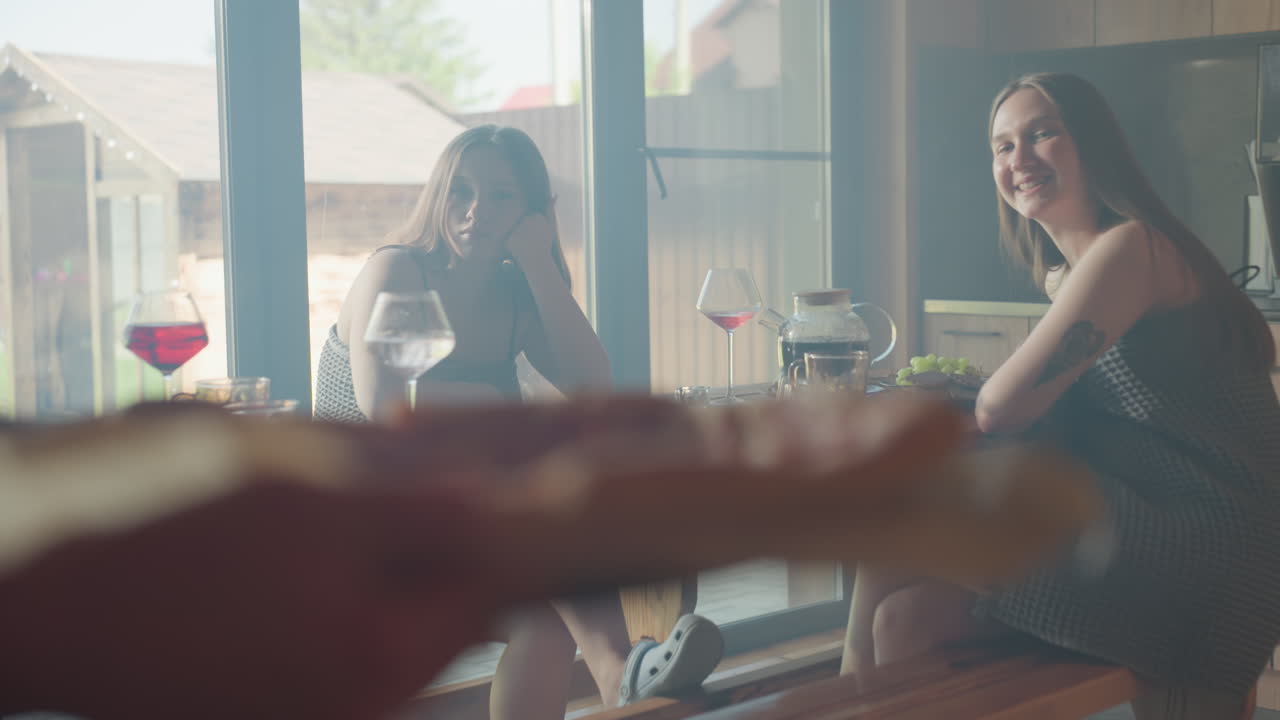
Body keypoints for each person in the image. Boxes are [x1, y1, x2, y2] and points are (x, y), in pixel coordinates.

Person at [0, 390, 1098, 720]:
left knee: (530, 582)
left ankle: (618, 671)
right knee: (528, 573)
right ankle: (620, 673)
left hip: (411, 488)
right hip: (391, 487)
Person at [845, 72, 1280, 718]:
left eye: (1042, 134)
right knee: (904, 621)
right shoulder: (1078, 272)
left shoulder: (1131, 247)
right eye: (1003, 146)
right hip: (1142, 523)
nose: (1018, 158)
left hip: (1201, 544)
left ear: (1092, 144)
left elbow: (1000, 409)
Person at [313, 124, 723, 717]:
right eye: (461, 190)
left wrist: (538, 264)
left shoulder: (514, 294)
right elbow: (388, 408)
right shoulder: (398, 271)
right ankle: (623, 670)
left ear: (533, 211)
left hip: (458, 510)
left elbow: (592, 383)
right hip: (366, 514)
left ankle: (622, 672)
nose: (475, 211)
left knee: (547, 620)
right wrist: (492, 400)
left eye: (501, 195)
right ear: (438, 194)